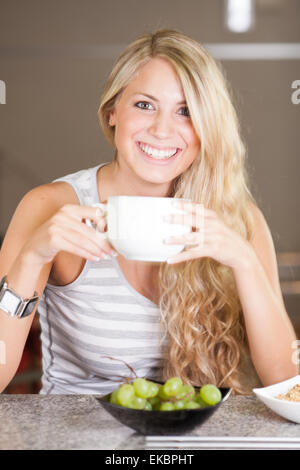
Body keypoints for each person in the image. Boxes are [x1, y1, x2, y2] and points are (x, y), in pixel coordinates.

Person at [0, 29, 298, 395]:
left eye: (186, 111)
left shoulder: (237, 218)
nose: (162, 130)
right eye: (145, 105)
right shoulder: (50, 206)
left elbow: (287, 381)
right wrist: (31, 258)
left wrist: (245, 262)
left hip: (191, 440)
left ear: (207, 127)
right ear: (112, 112)